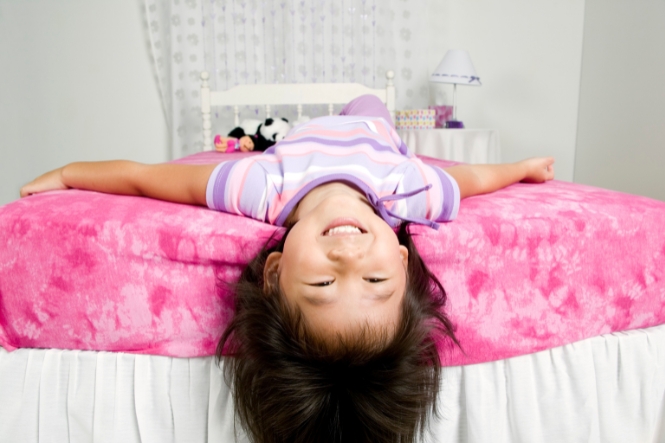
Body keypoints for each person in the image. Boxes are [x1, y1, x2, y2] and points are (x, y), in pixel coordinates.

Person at [21, 95, 554, 443]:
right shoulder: (410, 189)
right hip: (373, 127)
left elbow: (145, 179)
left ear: (274, 272)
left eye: (323, 283)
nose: (349, 259)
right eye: (375, 280)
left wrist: (70, 174)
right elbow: (474, 177)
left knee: (298, 131)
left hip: (301, 140)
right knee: (370, 105)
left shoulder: (260, 187)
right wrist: (522, 169)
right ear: (400, 256)